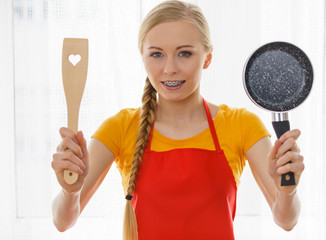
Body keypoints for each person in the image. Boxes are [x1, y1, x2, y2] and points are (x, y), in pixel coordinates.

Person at [51, 1, 305, 239]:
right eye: (157, 54)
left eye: (184, 54)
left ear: (207, 58)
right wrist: (70, 191)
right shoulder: (120, 127)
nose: (170, 68)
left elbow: (286, 221)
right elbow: (63, 221)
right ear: (143, 58)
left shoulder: (241, 124)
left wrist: (287, 191)